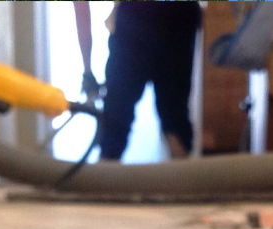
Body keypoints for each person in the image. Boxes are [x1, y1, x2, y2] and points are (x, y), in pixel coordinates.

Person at [73, 1, 202, 161]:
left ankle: (107, 169)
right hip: (170, 16)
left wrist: (87, 73)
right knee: (171, 117)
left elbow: (80, 7)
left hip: (157, 17)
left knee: (119, 121)